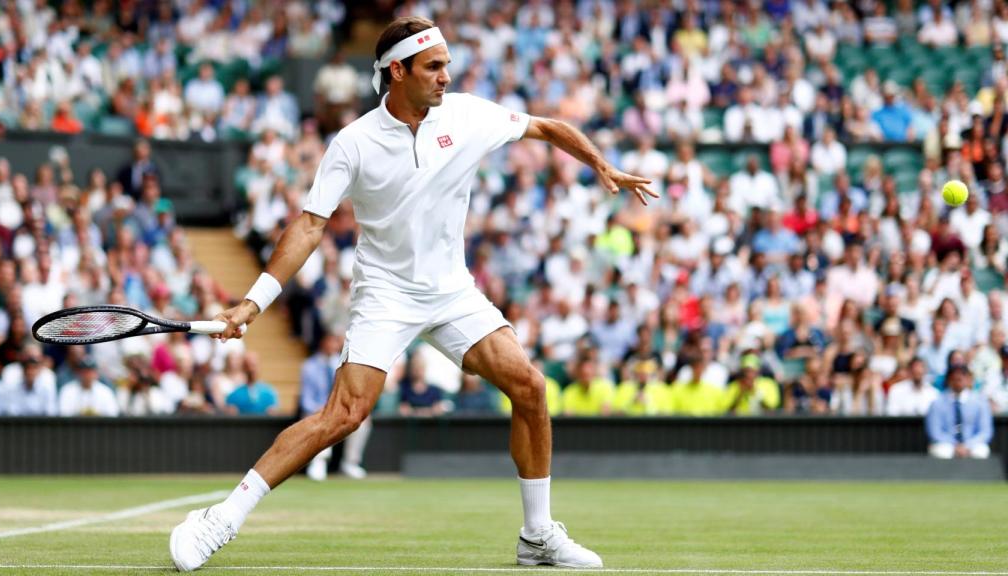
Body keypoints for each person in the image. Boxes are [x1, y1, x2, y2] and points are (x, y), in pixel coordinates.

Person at [169, 17, 654, 571]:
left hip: (452, 291)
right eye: (434, 67)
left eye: (446, 65)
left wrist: (599, 162)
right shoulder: (352, 143)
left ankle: (538, 536)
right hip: (386, 294)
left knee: (530, 387)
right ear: (396, 72)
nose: (446, 77)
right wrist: (253, 303)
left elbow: (545, 127)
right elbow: (308, 226)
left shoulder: (468, 114)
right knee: (344, 414)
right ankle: (221, 519)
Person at [301, 332, 371, 481]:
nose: (335, 345)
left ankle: (350, 463)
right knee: (323, 418)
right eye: (332, 341)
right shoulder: (309, 366)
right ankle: (318, 462)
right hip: (316, 410)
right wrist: (321, 408)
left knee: (363, 420)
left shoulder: (342, 365)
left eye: (337, 342)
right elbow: (306, 399)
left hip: (338, 409)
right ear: (323, 342)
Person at [926, 364, 994, 459]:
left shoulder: (980, 402)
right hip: (946, 444)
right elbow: (935, 432)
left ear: (968, 379)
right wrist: (955, 445)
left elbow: (985, 432)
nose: (958, 381)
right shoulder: (937, 403)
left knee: (981, 451)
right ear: (949, 380)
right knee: (943, 452)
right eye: (954, 378)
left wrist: (967, 445)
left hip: (972, 443)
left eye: (961, 378)